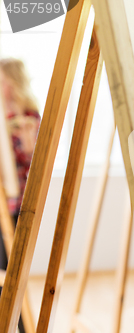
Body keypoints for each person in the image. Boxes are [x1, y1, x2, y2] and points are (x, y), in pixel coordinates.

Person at [0, 58, 40, 333]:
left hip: (18, 203)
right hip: (3, 202)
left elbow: (31, 156)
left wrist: (21, 132)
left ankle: (20, 323)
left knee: (11, 268)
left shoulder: (29, 115)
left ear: (12, 83)